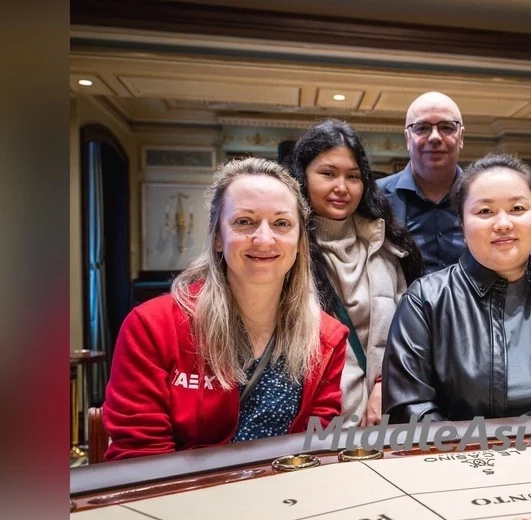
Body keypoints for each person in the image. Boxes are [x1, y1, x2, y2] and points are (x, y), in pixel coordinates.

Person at [103, 157, 348, 460]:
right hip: (183, 491)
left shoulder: (327, 339)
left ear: (299, 241)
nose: (264, 238)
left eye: (282, 224)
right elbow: (141, 459)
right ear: (217, 236)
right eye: (244, 222)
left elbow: (317, 450)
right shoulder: (151, 327)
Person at [382, 153, 531, 423]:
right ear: (461, 224)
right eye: (485, 211)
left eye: (517, 208)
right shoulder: (425, 301)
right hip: (458, 450)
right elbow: (410, 407)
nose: (504, 224)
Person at [290, 118, 423, 427]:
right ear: (302, 176)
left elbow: (410, 334)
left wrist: (385, 384)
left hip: (386, 419)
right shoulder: (286, 253)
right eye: (327, 174)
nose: (341, 187)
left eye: (353, 176)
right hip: (320, 426)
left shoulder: (386, 246)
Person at [377, 91, 466, 274]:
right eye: (422, 128)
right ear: (407, 138)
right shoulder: (376, 196)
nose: (435, 137)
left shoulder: (483, 195)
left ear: (461, 137)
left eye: (446, 127)